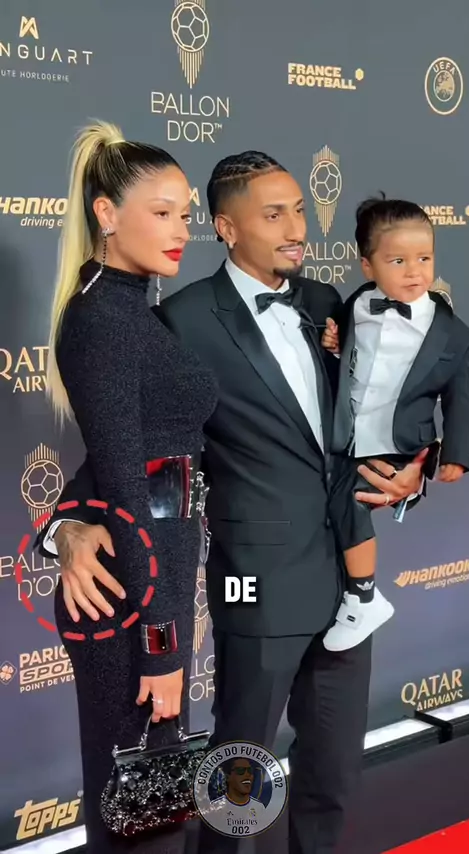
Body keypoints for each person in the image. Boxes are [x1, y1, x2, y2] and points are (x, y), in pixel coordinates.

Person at [37, 153, 425, 854]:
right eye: (274, 214)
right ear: (228, 227)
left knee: (333, 776)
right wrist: (65, 524)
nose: (297, 229)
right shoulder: (179, 319)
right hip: (253, 585)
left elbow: (365, 424)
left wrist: (407, 475)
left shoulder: (328, 306)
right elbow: (129, 458)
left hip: (346, 583)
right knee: (227, 791)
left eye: (300, 210)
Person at [44, 119, 218, 853]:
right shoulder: (104, 320)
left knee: (151, 813)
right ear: (106, 214)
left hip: (144, 587)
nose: (181, 230)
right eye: (162, 212)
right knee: (138, 816)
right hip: (130, 603)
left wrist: (62, 525)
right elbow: (124, 485)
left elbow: (125, 466)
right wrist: (162, 646)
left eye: (186, 214)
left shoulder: (125, 305)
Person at [321, 196, 469, 653]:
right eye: (398, 261)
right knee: (331, 502)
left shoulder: (454, 335)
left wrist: (454, 457)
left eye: (424, 259)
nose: (414, 272)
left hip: (399, 442)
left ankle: (363, 596)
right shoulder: (358, 303)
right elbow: (350, 352)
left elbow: (459, 399)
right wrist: (335, 344)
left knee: (350, 501)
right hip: (348, 434)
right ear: (367, 266)